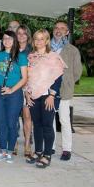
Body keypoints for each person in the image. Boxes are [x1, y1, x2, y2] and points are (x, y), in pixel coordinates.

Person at [25, 29, 66, 168]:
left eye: (42, 38)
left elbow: (58, 78)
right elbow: (27, 78)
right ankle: (38, 151)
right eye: (36, 38)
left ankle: (47, 154)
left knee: (47, 126)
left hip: (48, 96)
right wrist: (27, 93)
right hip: (33, 96)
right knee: (37, 125)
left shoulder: (53, 57)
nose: (39, 41)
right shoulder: (31, 57)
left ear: (47, 40)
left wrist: (52, 95)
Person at [0, 31, 28, 163]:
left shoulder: (21, 57)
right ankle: (2, 151)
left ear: (14, 40)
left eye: (10, 38)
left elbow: (25, 78)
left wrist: (12, 89)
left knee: (11, 122)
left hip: (14, 92)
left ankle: (10, 151)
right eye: (4, 38)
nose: (7, 41)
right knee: (1, 122)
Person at [51, 21, 82, 161]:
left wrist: (68, 82)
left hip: (64, 90)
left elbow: (77, 73)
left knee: (64, 120)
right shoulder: (46, 48)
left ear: (67, 32)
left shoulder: (72, 50)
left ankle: (66, 149)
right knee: (49, 120)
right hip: (47, 90)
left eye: (62, 28)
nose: (59, 30)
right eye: (56, 28)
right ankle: (50, 147)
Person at [17, 25, 34, 157]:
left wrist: (28, 89)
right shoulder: (11, 49)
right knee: (14, 117)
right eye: (19, 33)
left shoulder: (32, 51)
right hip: (14, 87)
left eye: (24, 33)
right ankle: (15, 142)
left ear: (28, 36)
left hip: (28, 88)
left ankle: (27, 144)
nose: (21, 36)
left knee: (27, 116)